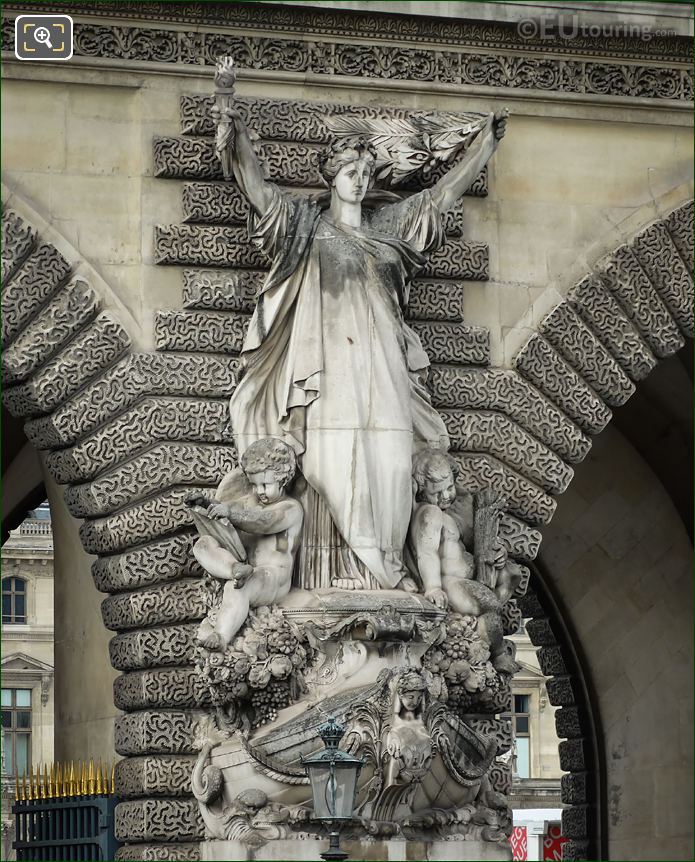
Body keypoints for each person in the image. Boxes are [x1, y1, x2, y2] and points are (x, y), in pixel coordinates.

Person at [216, 103, 507, 593]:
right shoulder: (306, 229)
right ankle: (334, 578)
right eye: (350, 172)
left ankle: (389, 570)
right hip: (328, 371)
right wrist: (232, 127)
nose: (358, 180)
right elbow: (259, 191)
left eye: (365, 173)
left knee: (394, 463)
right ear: (332, 177)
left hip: (386, 370)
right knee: (331, 465)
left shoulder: (389, 233)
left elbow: (441, 198)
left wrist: (483, 148)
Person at [408, 448, 518, 673]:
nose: (446, 496)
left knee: (511, 575)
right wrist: (433, 588)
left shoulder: (450, 512)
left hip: (468, 577)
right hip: (450, 583)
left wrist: (497, 555)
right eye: (437, 492)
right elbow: (426, 552)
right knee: (490, 604)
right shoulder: (430, 513)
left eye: (449, 488)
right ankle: (497, 653)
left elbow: (473, 545)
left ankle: (486, 638)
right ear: (421, 490)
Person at [194, 438, 304, 651]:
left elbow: (264, 522)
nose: (259, 491)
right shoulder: (250, 502)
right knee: (203, 544)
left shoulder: (291, 508)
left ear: (283, 480)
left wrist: (231, 513)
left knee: (237, 588)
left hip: (274, 577)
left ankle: (221, 636)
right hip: (248, 568)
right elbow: (226, 507)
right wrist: (205, 504)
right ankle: (234, 569)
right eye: (254, 485)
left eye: (266, 484)